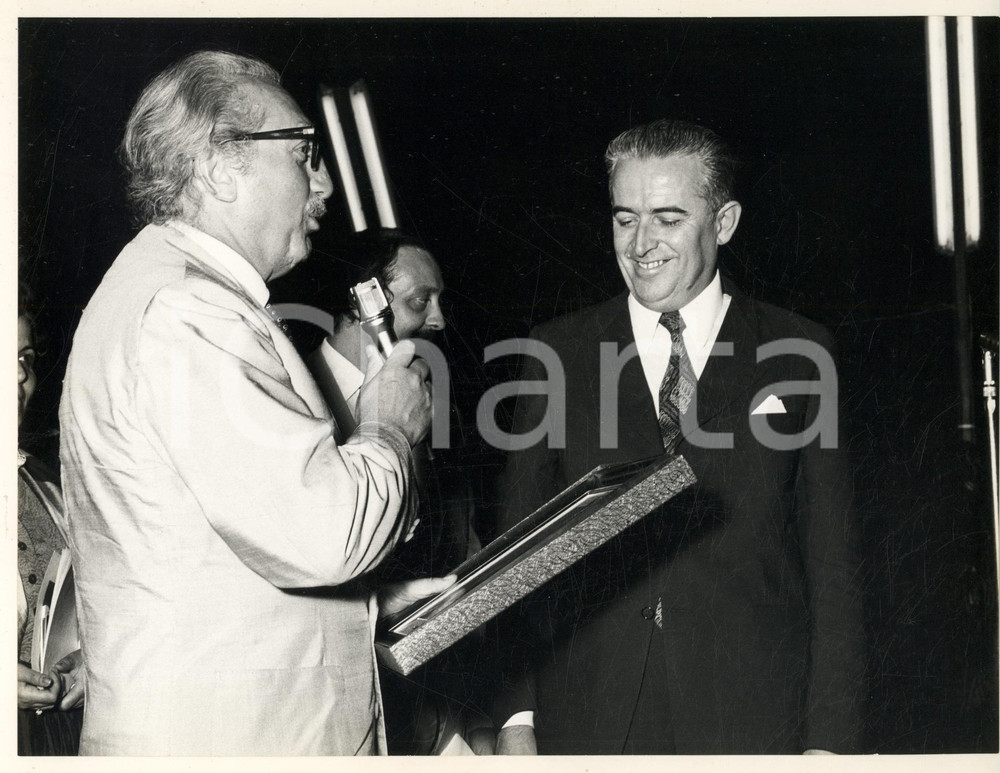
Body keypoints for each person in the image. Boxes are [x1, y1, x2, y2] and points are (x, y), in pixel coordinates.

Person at [58, 50, 448, 756]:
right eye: (304, 153)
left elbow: (217, 554)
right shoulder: (187, 311)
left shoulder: (170, 292)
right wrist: (389, 425)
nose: (322, 180)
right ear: (219, 166)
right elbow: (325, 534)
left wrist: (361, 611)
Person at [492, 119, 865, 755]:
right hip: (591, 715)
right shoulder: (557, 352)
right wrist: (514, 718)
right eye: (624, 218)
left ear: (724, 223)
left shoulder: (800, 354)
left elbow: (835, 565)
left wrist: (831, 741)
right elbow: (516, 558)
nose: (641, 244)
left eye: (668, 218)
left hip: (752, 712)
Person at [306, 229, 485, 753]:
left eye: (439, 300)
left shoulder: (427, 393)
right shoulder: (295, 396)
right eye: (419, 301)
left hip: (436, 710)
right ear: (366, 303)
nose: (438, 320)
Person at [17, 295, 85, 755]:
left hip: (57, 740)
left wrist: (88, 662)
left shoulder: (47, 483)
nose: (21, 373)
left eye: (24, 358)